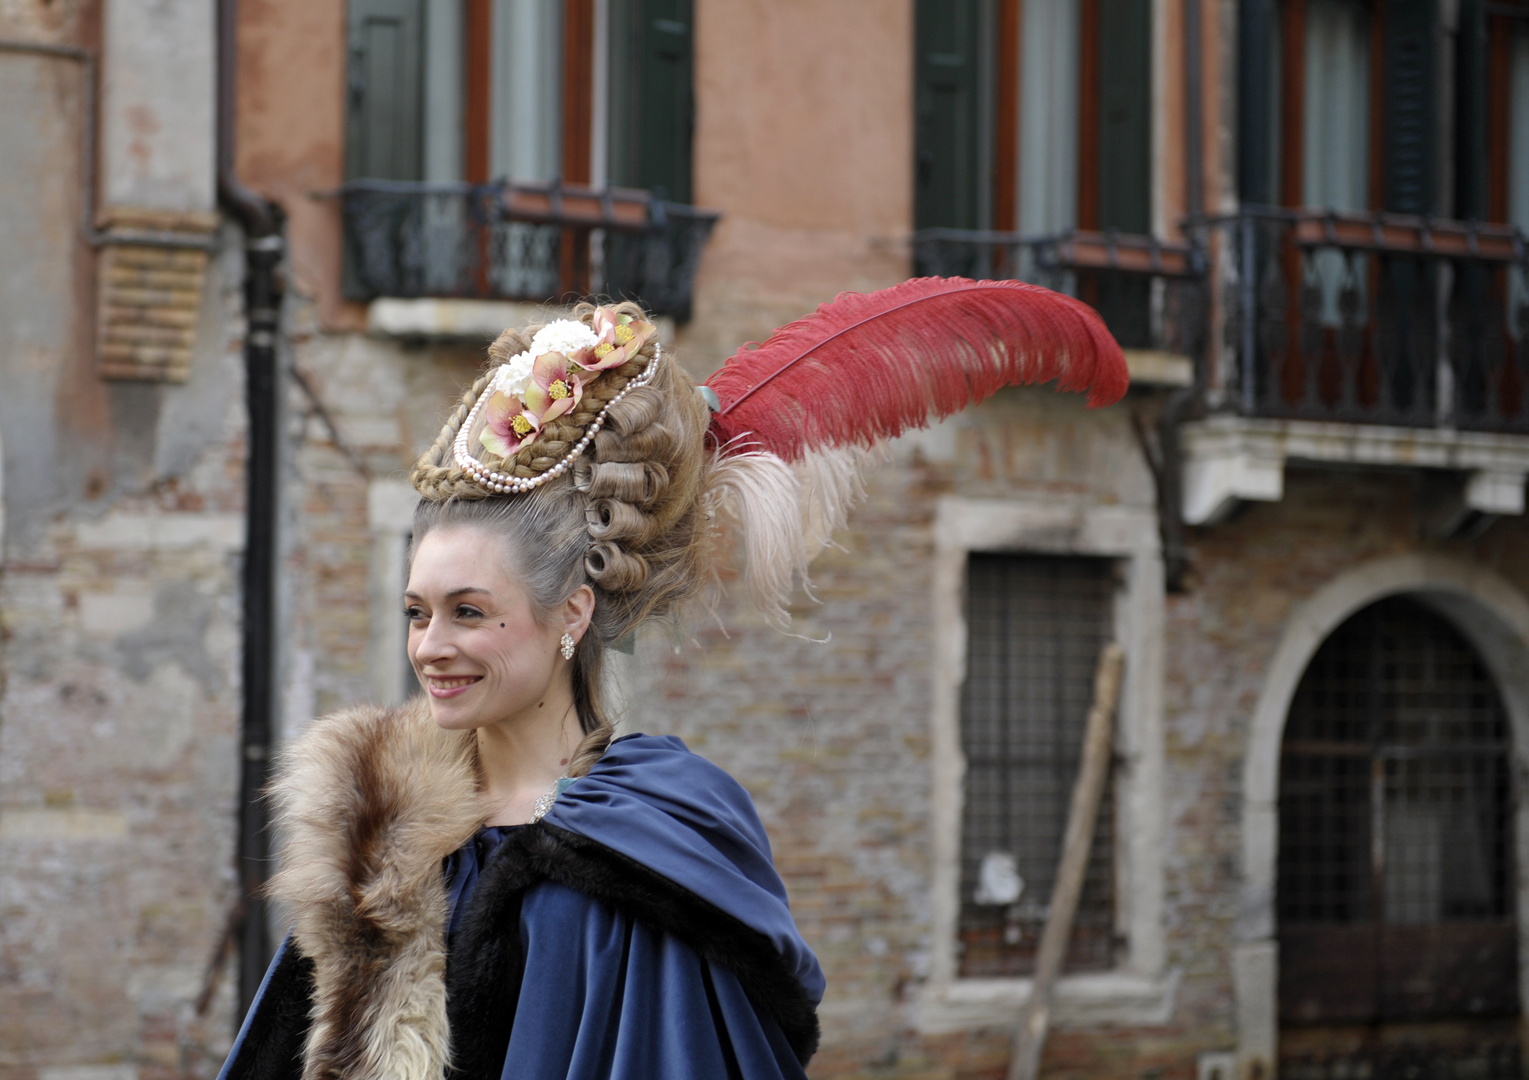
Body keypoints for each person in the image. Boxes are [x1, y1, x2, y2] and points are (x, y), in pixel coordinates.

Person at [217, 281, 1127, 1080]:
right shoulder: (371, 824)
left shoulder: (647, 843)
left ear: (570, 615)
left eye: (469, 611)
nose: (430, 646)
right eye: (417, 612)